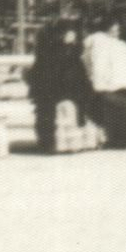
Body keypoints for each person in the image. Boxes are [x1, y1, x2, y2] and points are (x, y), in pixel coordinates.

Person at [82, 12, 126, 150]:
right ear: (108, 29)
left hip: (117, 85)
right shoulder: (106, 43)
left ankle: (119, 140)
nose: (117, 31)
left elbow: (93, 64)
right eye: (115, 29)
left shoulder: (106, 43)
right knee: (124, 108)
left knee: (113, 105)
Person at [27, 17, 93, 153]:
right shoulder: (56, 54)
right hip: (55, 91)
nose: (72, 37)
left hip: (60, 91)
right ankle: (54, 141)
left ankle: (56, 141)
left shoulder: (70, 53)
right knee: (54, 108)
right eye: (69, 33)